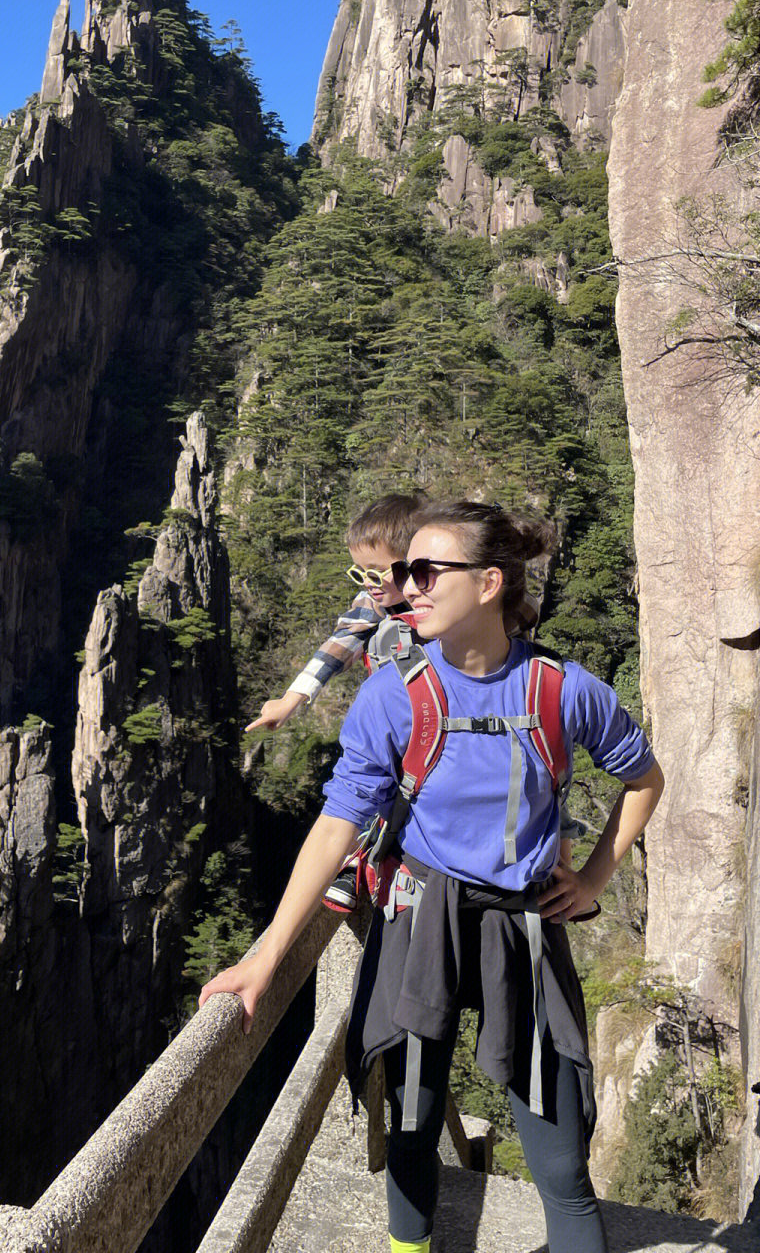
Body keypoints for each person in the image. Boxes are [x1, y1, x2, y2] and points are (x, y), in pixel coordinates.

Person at [201, 501, 663, 1253]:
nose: (401, 587)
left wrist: (595, 879)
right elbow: (336, 825)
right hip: (422, 914)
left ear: (488, 583)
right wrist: (266, 956)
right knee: (412, 1125)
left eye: (422, 572)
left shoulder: (561, 690)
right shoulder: (397, 692)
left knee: (561, 1159)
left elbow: (644, 779)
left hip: (524, 923)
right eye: (397, 572)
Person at [246, 493, 427, 734]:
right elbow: (339, 644)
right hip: (398, 720)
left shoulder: (448, 599)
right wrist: (290, 700)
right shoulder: (373, 603)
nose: (366, 583)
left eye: (375, 574)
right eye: (359, 573)